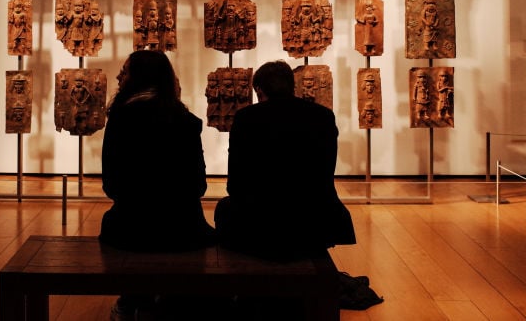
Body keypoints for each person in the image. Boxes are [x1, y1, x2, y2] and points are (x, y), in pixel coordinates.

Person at [101, 50, 216, 320]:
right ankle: (175, 298)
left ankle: (134, 297)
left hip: (131, 228)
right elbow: (198, 186)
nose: (119, 76)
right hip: (183, 228)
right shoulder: (186, 122)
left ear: (139, 78)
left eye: (125, 71)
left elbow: (112, 186)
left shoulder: (121, 119)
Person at [215, 60, 355, 260]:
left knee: (225, 208)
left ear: (259, 90)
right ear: (292, 87)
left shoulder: (247, 118)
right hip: (313, 217)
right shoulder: (322, 116)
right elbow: (325, 172)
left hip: (259, 217)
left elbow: (236, 182)